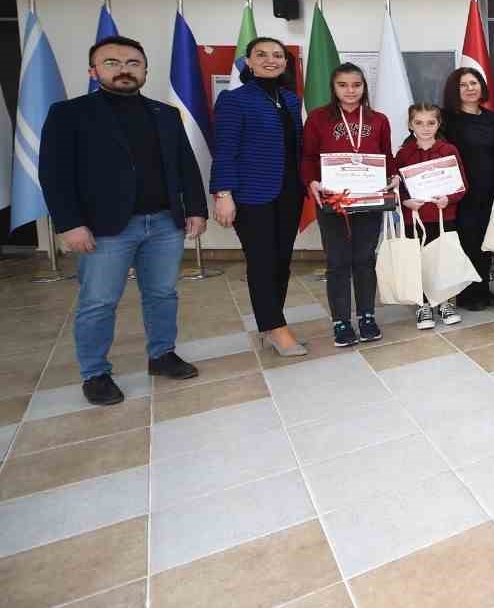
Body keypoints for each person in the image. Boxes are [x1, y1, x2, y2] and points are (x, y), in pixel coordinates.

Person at [40, 35, 206, 405]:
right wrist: (70, 223)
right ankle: (95, 373)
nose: (123, 69)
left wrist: (195, 208)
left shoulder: (165, 113)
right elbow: (54, 174)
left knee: (162, 294)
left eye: (132, 63)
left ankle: (162, 355)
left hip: (164, 223)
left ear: (144, 69)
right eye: (112, 63)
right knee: (99, 301)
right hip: (104, 228)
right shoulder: (69, 114)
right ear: (93, 70)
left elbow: (185, 165)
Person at [212, 36, 309, 358]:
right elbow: (224, 150)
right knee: (262, 262)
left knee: (281, 262)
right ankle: (277, 329)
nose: (271, 60)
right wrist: (223, 193)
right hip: (253, 195)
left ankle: (270, 326)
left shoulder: (290, 100)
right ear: (248, 62)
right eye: (262, 55)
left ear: (285, 62)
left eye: (278, 55)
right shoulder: (234, 100)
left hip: (289, 193)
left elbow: (295, 148)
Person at [302, 62, 395, 348]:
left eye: (356, 84)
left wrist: (393, 176)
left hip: (369, 200)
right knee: (338, 262)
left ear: (364, 87)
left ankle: (367, 316)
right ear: (334, 87)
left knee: (365, 260)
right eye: (343, 85)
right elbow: (307, 158)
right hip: (333, 201)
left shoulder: (378, 119)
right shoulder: (318, 118)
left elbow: (386, 156)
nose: (350, 90)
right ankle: (341, 321)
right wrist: (311, 182)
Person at [396, 102, 468, 329]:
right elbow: (397, 188)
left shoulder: (449, 151)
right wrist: (405, 201)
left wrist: (449, 199)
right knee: (418, 261)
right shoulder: (404, 154)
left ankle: (444, 302)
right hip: (414, 218)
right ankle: (423, 305)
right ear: (410, 125)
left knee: (442, 261)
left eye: (431, 123)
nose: (425, 128)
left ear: (438, 124)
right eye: (419, 123)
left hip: (442, 216)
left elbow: (461, 186)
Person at [440, 66, 494, 310]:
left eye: (474, 83)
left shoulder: (491, 117)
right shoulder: (446, 118)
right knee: (467, 243)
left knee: (486, 242)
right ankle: (467, 294)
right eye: (463, 85)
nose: (470, 89)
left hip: (489, 188)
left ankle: (484, 288)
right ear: (455, 90)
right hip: (462, 193)